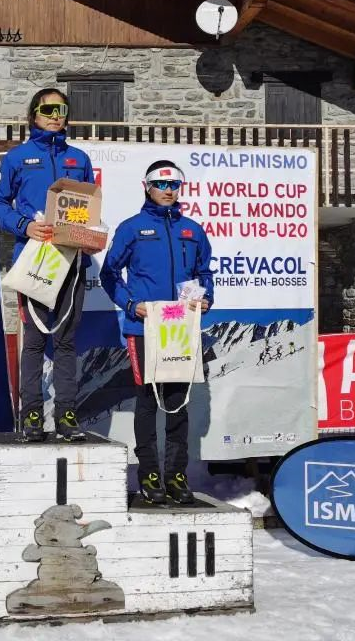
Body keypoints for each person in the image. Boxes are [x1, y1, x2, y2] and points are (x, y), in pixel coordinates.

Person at [100, 160, 214, 505]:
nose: (168, 190)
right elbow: (109, 274)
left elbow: (204, 273)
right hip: (145, 328)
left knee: (177, 403)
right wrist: (130, 304)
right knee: (148, 401)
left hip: (180, 329)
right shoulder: (132, 228)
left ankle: (176, 475)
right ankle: (149, 474)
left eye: (173, 184)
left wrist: (206, 298)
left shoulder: (192, 230)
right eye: (160, 184)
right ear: (146, 187)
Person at [0, 88, 98, 442]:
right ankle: (32, 415)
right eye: (48, 109)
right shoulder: (17, 158)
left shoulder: (79, 158)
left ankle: (66, 415)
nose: (55, 116)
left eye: (61, 109)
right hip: (35, 259)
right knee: (35, 341)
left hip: (71, 260)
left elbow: (88, 209)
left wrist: (91, 233)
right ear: (33, 114)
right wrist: (25, 226)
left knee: (66, 341)